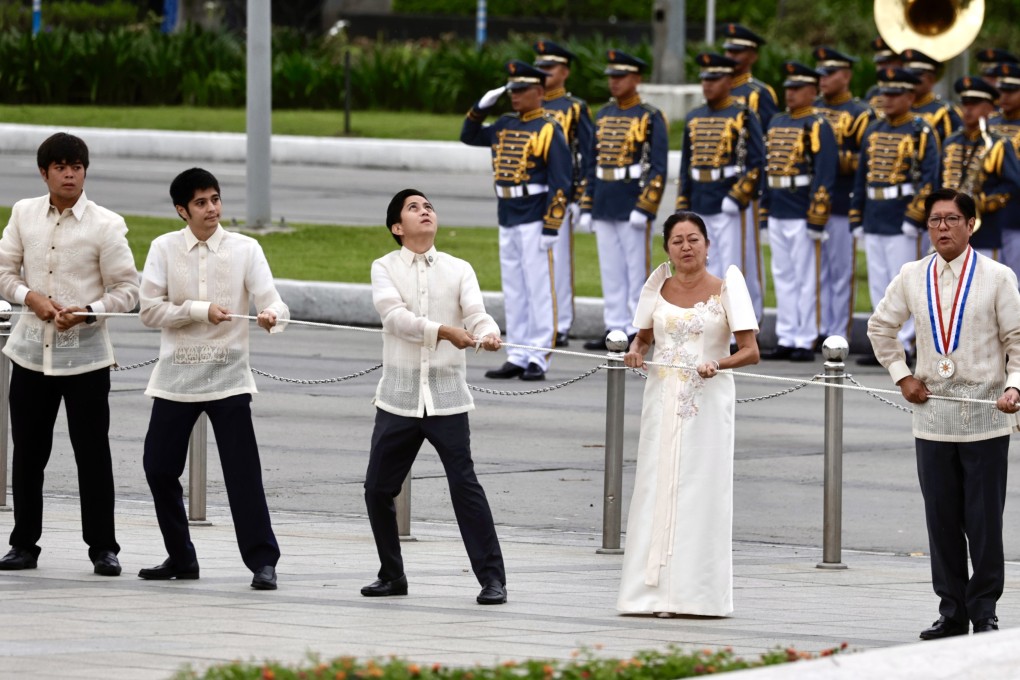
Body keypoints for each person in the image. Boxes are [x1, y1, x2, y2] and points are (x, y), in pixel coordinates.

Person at [866, 187, 1020, 639]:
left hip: (986, 416)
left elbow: (1018, 339)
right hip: (931, 417)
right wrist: (902, 375)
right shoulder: (913, 275)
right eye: (935, 220)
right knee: (941, 519)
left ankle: (984, 611)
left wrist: (1014, 387)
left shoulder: (996, 276)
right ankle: (952, 611)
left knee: (984, 522)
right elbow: (880, 327)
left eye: (953, 219)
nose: (943, 228)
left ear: (972, 225)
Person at [137, 168, 287, 590]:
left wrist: (274, 317)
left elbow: (273, 300)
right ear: (182, 210)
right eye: (201, 203)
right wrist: (198, 310)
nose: (212, 209)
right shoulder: (163, 248)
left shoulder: (246, 248)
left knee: (243, 472)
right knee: (158, 469)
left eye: (216, 199)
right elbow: (149, 311)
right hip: (176, 378)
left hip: (229, 377)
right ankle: (181, 557)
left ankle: (263, 562)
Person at [0, 133, 139, 576]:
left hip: (86, 360)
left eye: (76, 166)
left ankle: (103, 548)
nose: (70, 174)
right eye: (60, 167)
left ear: (85, 171)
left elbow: (128, 291)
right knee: (28, 454)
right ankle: (23, 545)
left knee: (92, 454)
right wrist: (30, 297)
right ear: (44, 173)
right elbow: (3, 273)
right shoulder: (23, 213)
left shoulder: (106, 223)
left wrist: (89, 312)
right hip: (29, 355)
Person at [360, 189, 507, 606]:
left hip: (446, 398)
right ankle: (392, 575)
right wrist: (444, 331)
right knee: (376, 489)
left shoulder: (459, 268)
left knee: (465, 485)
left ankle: (492, 580)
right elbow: (395, 318)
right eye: (413, 208)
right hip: (399, 396)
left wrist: (488, 331)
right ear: (396, 227)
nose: (424, 211)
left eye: (428, 206)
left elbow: (476, 313)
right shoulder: (383, 267)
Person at [618, 212, 760, 618]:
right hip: (661, 397)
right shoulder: (656, 286)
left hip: (707, 404)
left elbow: (750, 350)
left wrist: (719, 363)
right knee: (655, 484)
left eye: (694, 239)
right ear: (667, 248)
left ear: (707, 245)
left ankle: (697, 595)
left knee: (702, 489)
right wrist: (635, 352)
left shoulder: (726, 287)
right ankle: (648, 594)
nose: (686, 247)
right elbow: (643, 337)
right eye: (678, 240)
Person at [460, 60, 572, 381]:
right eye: (512, 90)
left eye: (521, 90)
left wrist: (552, 224)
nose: (515, 96)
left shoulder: (549, 128)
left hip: (535, 217)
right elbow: (468, 136)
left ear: (539, 91)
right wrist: (480, 107)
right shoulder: (504, 124)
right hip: (507, 214)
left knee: (539, 289)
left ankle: (539, 356)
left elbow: (561, 181)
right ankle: (518, 353)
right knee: (515, 290)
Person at [580, 50, 669, 351]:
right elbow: (592, 163)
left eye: (621, 77)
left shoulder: (650, 116)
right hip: (605, 199)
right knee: (611, 269)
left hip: (632, 200)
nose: (614, 83)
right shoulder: (603, 114)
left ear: (636, 79)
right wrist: (587, 204)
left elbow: (658, 167)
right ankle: (613, 327)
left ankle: (637, 328)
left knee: (636, 272)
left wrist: (646, 205)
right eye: (612, 77)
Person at [850, 67, 940, 366]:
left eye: (894, 94)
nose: (886, 100)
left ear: (910, 96)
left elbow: (929, 178)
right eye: (884, 94)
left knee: (907, 283)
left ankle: (908, 344)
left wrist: (915, 216)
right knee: (880, 283)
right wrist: (857, 216)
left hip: (901, 215)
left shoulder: (920, 130)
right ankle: (885, 345)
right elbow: (862, 175)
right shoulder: (874, 130)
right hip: (875, 214)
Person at [676, 53, 765, 324]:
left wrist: (738, 196)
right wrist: (683, 203)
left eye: (714, 79)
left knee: (733, 267)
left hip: (729, 201)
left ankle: (742, 323)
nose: (707, 85)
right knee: (701, 265)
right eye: (704, 79)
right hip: (701, 199)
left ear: (728, 80)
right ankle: (707, 319)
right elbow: (686, 165)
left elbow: (756, 162)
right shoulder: (694, 117)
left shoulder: (743, 116)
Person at [760, 62, 838, 362]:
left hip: (801, 209)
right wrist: (765, 210)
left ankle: (806, 337)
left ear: (812, 91)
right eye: (788, 88)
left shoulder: (818, 125)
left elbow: (824, 172)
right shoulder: (777, 121)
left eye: (797, 89)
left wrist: (817, 216)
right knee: (783, 275)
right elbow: (769, 168)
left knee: (807, 277)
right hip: (779, 207)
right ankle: (787, 334)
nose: (790, 94)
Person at [533, 39, 595, 348]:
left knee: (558, 262)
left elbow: (586, 153)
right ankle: (540, 320)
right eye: (540, 67)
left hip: (561, 195)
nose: (544, 73)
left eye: (550, 67)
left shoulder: (573, 107)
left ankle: (562, 322)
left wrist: (581, 197)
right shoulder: (531, 103)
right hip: (532, 193)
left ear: (565, 71)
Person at [719, 23, 778, 317]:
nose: (731, 55)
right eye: (729, 49)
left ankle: (749, 318)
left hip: (745, 187)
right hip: (717, 185)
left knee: (745, 258)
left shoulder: (758, 94)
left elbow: (767, 141)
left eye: (738, 51)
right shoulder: (719, 90)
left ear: (752, 56)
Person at [814, 46, 871, 345]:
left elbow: (866, 159)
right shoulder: (811, 109)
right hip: (811, 203)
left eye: (830, 73)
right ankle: (818, 329)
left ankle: (838, 332)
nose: (823, 79)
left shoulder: (859, 113)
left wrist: (826, 159)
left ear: (846, 76)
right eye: (820, 73)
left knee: (840, 271)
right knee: (815, 272)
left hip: (840, 199)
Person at [939, 77, 1020, 262]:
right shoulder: (951, 141)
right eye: (965, 104)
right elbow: (938, 182)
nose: (967, 110)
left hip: (985, 231)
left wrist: (980, 204)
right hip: (948, 230)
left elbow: (1012, 185)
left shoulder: (998, 144)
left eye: (974, 104)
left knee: (986, 287)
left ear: (990, 108)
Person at [988, 63, 1020, 277]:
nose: (1004, 97)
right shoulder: (990, 123)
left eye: (1011, 91)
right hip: (990, 210)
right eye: (1002, 91)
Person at [902, 48, 963, 146]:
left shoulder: (945, 112)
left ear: (931, 78)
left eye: (916, 76)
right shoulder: (899, 108)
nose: (911, 81)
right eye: (908, 76)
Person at [864, 36, 902, 115]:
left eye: (887, 63)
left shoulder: (909, 92)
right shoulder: (873, 92)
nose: (882, 67)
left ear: (899, 63)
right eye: (879, 63)